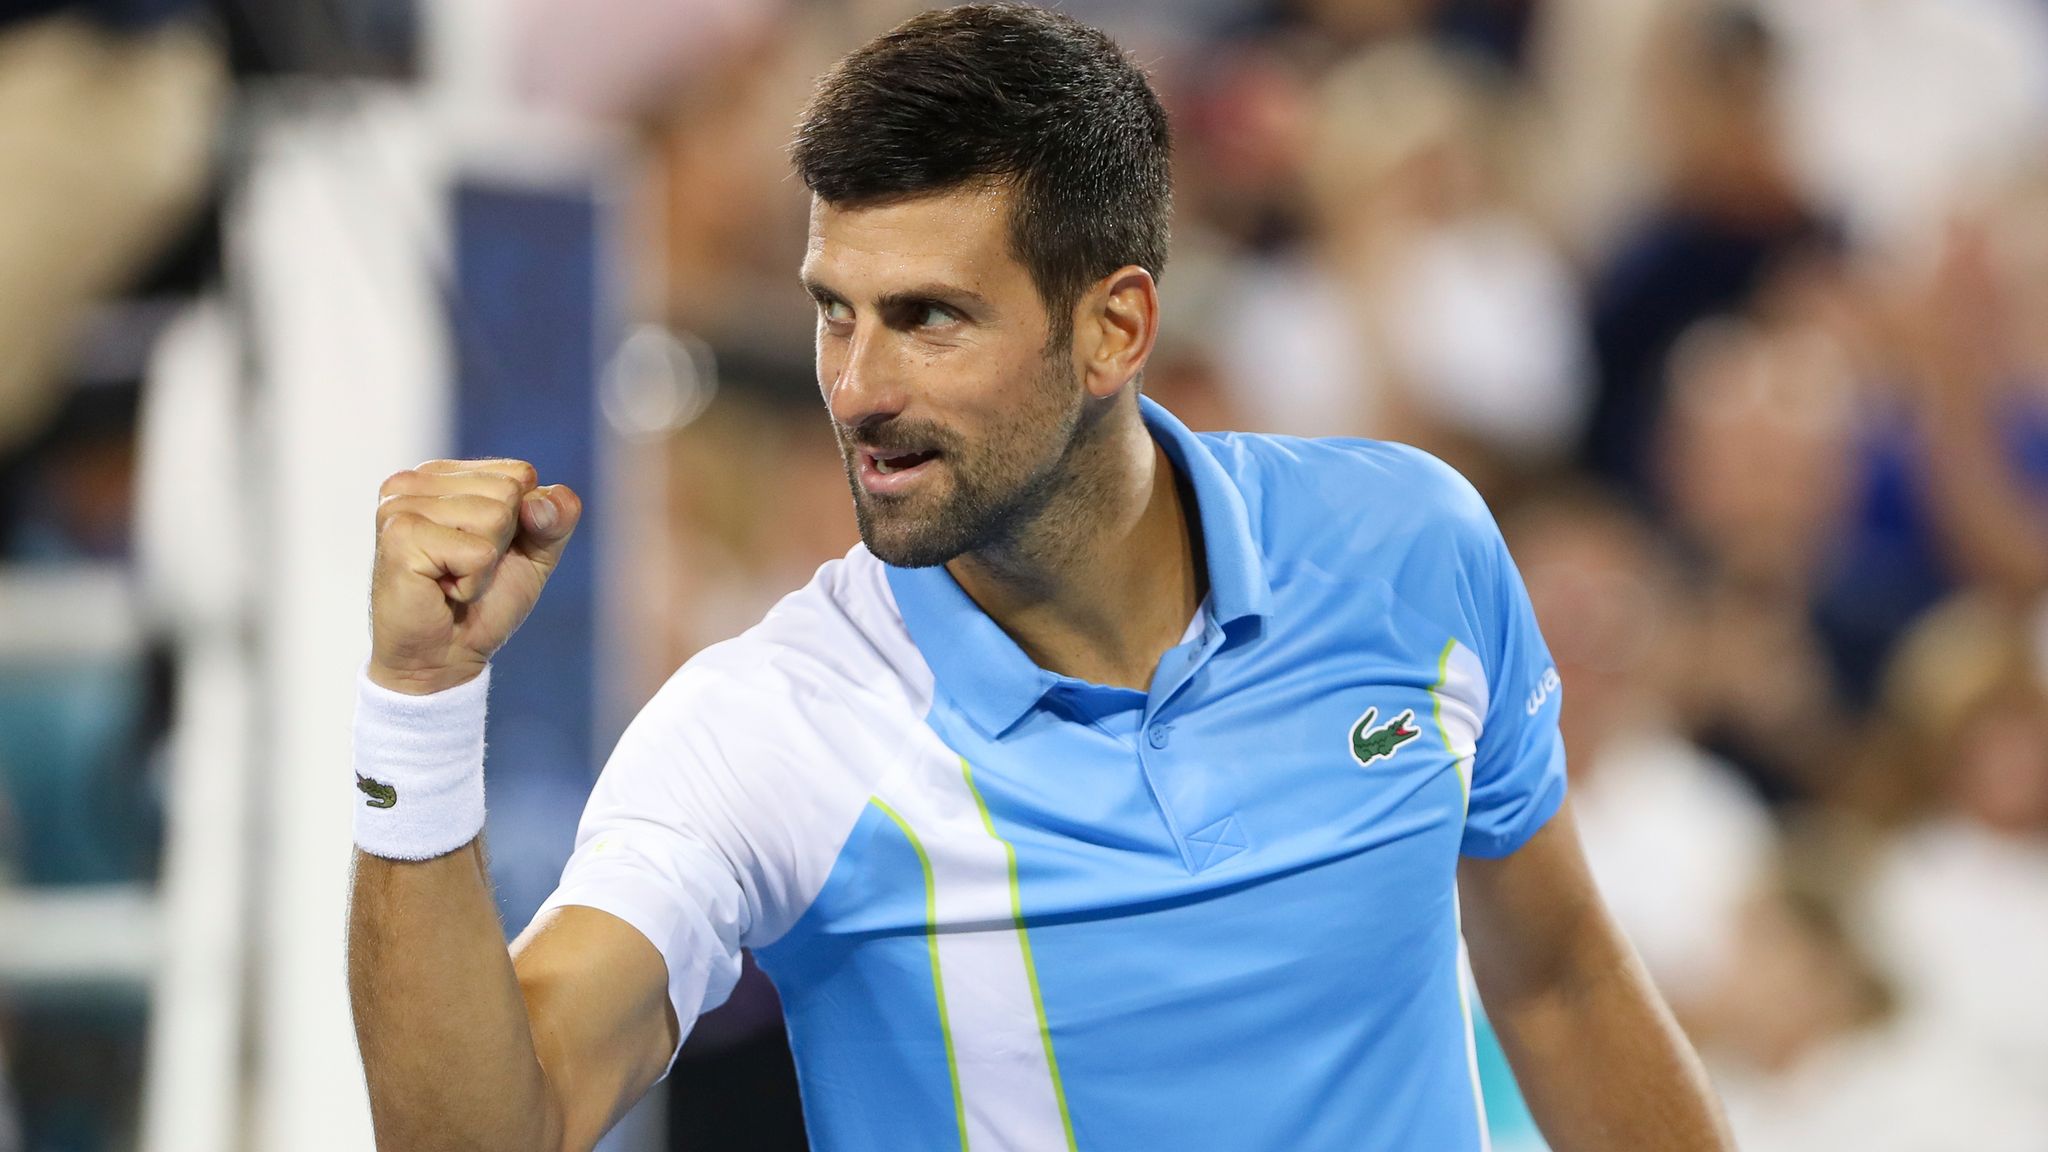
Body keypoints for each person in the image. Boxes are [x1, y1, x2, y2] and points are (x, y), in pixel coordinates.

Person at [346, 6, 1731, 1149]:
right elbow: (483, 1137)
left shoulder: (1412, 546)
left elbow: (1558, 979)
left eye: (929, 319)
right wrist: (416, 702)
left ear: (1115, 327)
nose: (858, 389)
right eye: (836, 311)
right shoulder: (774, 729)